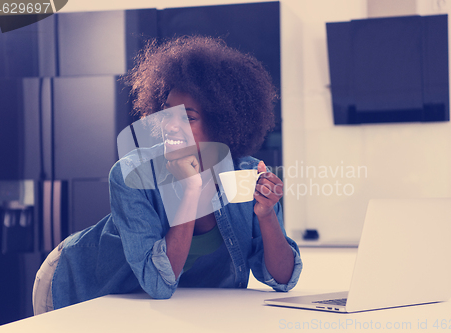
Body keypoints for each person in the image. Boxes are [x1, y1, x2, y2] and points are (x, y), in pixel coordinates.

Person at [32, 35, 303, 315]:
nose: (170, 126)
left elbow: (283, 280)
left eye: (188, 117)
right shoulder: (132, 174)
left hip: (173, 312)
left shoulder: (246, 174)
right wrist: (191, 191)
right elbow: (158, 284)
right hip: (79, 286)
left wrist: (267, 214)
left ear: (222, 124)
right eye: (167, 113)